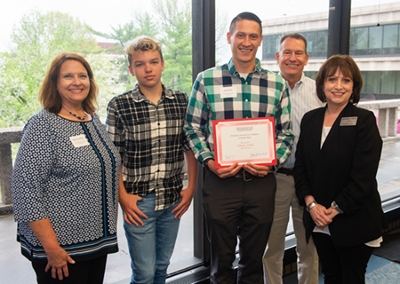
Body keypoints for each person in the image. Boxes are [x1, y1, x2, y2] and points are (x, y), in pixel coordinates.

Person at [184, 12, 294, 284]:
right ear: (229, 37)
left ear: (260, 41)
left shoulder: (277, 83)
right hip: (221, 184)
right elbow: (192, 128)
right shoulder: (206, 79)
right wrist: (209, 162)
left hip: (261, 183)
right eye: (241, 35)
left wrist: (271, 162)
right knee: (221, 262)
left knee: (253, 261)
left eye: (253, 36)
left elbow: (286, 133)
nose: (246, 42)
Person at [11, 52, 121, 284]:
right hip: (62, 250)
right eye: (68, 76)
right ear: (55, 82)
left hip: (95, 243)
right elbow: (26, 191)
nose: (77, 81)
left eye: (83, 75)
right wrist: (52, 249)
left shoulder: (92, 119)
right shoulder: (42, 124)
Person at [106, 36, 198, 284]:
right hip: (139, 202)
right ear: (131, 69)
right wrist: (122, 197)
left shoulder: (180, 100)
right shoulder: (119, 105)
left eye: (153, 62)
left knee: (161, 267)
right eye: (140, 64)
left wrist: (191, 189)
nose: (148, 68)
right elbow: (112, 157)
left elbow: (189, 146)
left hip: (173, 199)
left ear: (162, 64)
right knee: (144, 273)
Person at [294, 54, 386, 284]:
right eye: (332, 79)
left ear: (354, 87)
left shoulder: (364, 121)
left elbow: (363, 178)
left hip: (353, 220)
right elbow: (301, 167)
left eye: (346, 80)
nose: (338, 86)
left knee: (351, 278)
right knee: (332, 276)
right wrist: (312, 205)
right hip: (319, 220)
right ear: (322, 84)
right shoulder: (310, 119)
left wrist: (332, 211)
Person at [263, 33, 323, 284]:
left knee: (309, 247)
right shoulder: (265, 89)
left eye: (298, 53)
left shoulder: (319, 92)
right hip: (274, 179)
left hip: (308, 181)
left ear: (306, 58)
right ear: (277, 57)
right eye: (287, 52)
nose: (292, 58)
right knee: (271, 248)